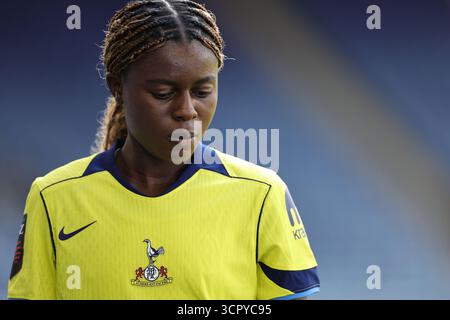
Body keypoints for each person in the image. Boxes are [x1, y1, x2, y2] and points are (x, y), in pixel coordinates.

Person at [8, 0, 320, 300]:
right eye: (163, 93)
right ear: (118, 86)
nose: (187, 111)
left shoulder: (262, 195)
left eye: (202, 92)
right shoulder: (52, 198)